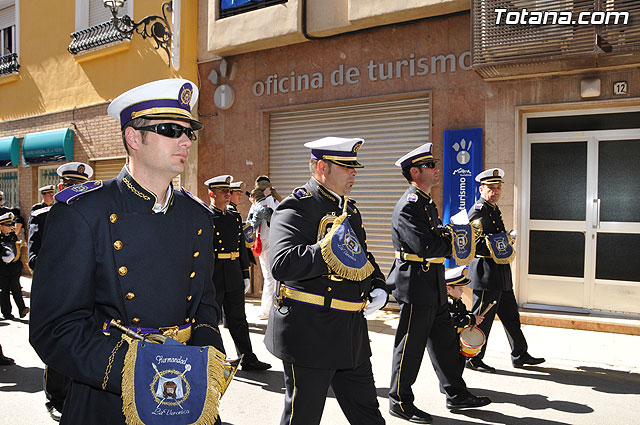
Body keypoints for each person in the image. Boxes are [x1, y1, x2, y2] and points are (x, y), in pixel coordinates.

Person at [29, 78, 226, 425]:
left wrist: (206, 359)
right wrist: (138, 369)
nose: (185, 140)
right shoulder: (82, 213)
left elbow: (205, 304)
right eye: (170, 129)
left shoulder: (197, 216)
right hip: (107, 394)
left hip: (182, 391)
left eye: (188, 131)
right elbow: (54, 328)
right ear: (133, 137)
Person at [266, 136, 388, 425]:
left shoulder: (350, 210)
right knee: (303, 418)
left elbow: (361, 255)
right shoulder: (296, 206)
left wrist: (377, 284)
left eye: (354, 167)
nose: (354, 172)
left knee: (368, 415)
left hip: (350, 333)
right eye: (347, 167)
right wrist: (329, 249)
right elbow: (282, 264)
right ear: (322, 167)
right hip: (311, 332)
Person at [387, 143, 491, 423]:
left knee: (445, 342)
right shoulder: (409, 206)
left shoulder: (424, 202)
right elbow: (426, 245)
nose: (436, 169)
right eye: (430, 165)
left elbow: (437, 239)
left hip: (432, 282)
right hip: (415, 284)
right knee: (410, 347)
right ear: (415, 172)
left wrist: (456, 237)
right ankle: (399, 400)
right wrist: (458, 241)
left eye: (434, 164)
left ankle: (456, 393)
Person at [28, 166, 93, 421]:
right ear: (60, 188)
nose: (75, 191)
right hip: (57, 293)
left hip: (87, 291)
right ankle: (56, 397)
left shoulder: (93, 216)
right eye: (69, 186)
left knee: (84, 343)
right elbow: (33, 258)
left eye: (80, 187)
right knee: (59, 344)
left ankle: (78, 395)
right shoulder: (43, 216)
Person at [466, 168, 545, 373]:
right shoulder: (478, 211)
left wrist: (505, 238)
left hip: (501, 273)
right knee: (482, 318)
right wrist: (500, 242)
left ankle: (520, 354)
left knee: (511, 316)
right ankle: (473, 357)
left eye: (499, 188)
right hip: (486, 273)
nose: (496, 191)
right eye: (491, 188)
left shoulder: (493, 209)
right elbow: (474, 243)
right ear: (481, 188)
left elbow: (497, 238)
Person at [206, 175, 271, 372]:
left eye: (228, 191)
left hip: (233, 272)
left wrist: (245, 274)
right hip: (214, 274)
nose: (227, 194)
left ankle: (247, 358)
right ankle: (216, 359)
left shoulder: (234, 217)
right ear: (211, 193)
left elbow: (242, 247)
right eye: (222, 191)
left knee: (238, 319)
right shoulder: (206, 217)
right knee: (211, 320)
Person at [247, 175, 281, 319]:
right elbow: (250, 223)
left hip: (272, 242)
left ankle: (270, 309)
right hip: (267, 243)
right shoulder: (263, 202)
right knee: (271, 277)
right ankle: (269, 309)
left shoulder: (271, 201)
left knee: (272, 277)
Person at [445, 266, 484, 376]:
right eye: (460, 289)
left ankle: (457, 382)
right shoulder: (446, 303)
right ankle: (449, 385)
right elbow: (454, 319)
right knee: (450, 364)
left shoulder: (457, 301)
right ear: (448, 288)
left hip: (457, 338)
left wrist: (473, 317)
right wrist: (471, 319)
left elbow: (463, 313)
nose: (462, 291)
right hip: (449, 339)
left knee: (460, 362)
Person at [0, 212, 27, 320]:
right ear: (1, 226)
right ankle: (7, 313)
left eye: (11, 224)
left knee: (16, 289)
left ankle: (22, 309)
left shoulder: (12, 236)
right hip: (3, 268)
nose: (10, 227)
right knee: (4, 290)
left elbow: (16, 248)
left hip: (14, 267)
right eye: (7, 225)